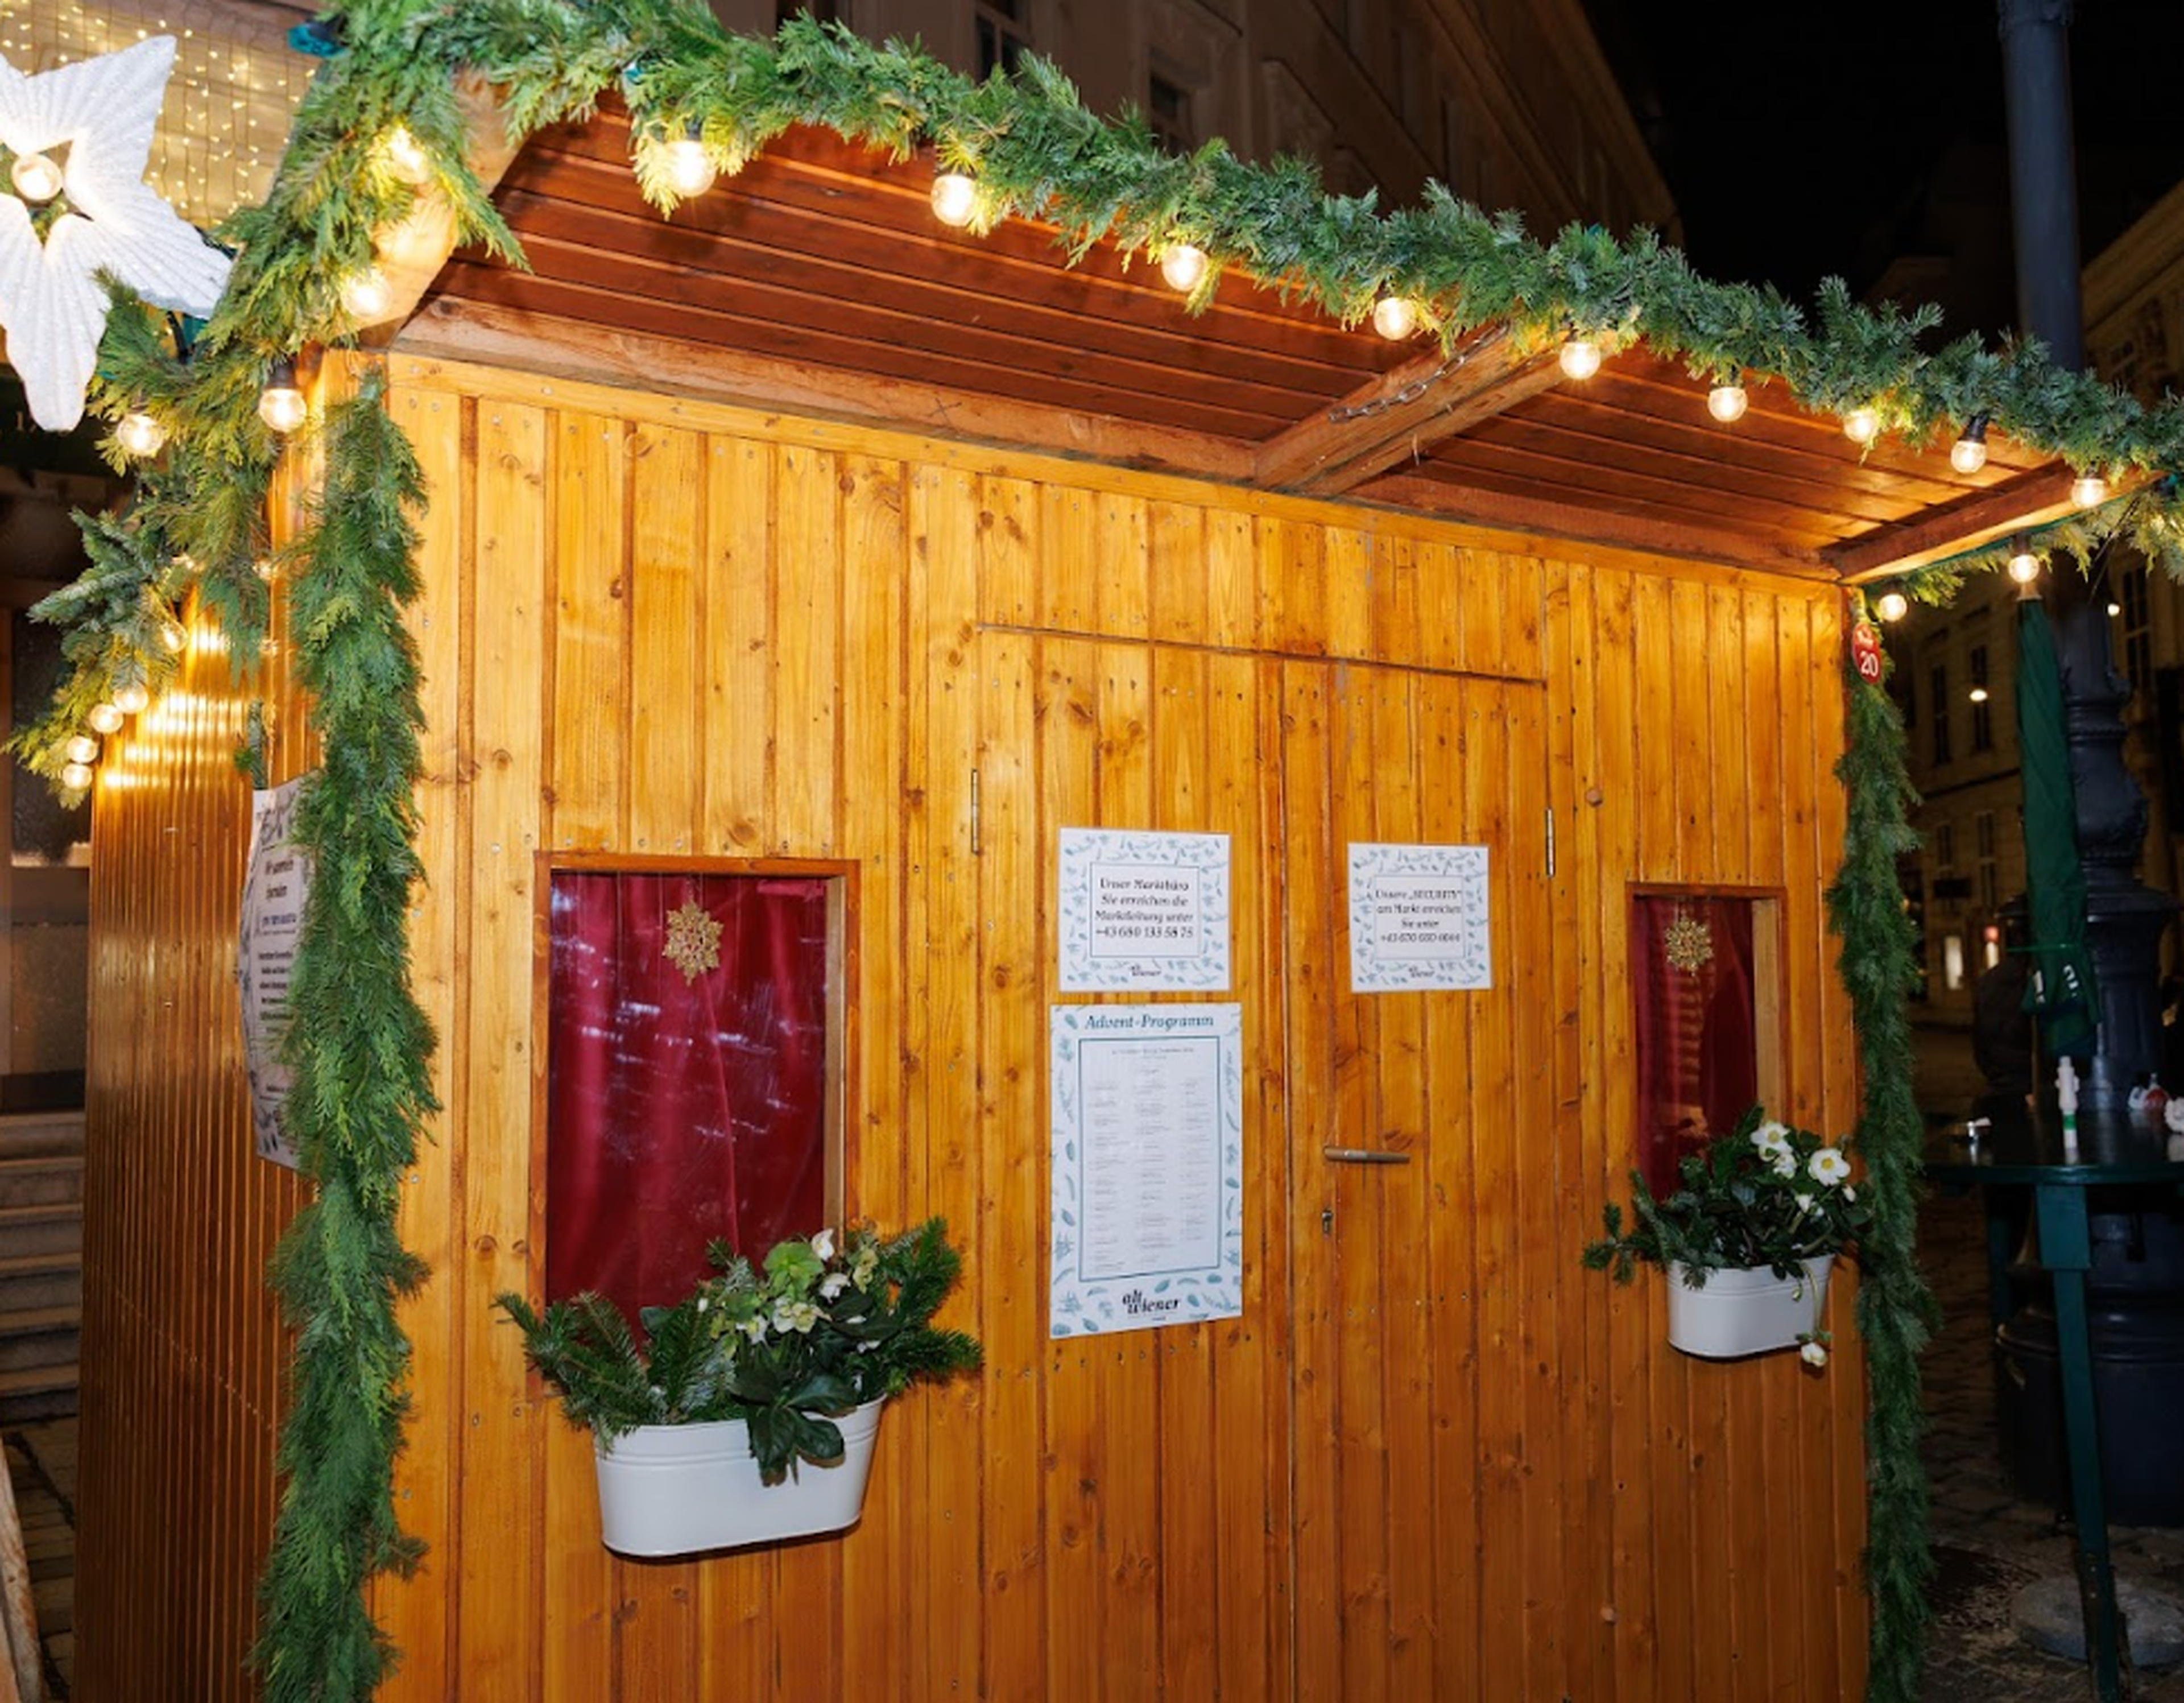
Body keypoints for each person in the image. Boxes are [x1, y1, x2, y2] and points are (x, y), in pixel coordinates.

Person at [1972, 952, 2035, 1098]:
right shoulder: (2031, 977)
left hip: (1999, 1074)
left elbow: (1979, 1038)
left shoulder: (1990, 979)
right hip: (2025, 1074)